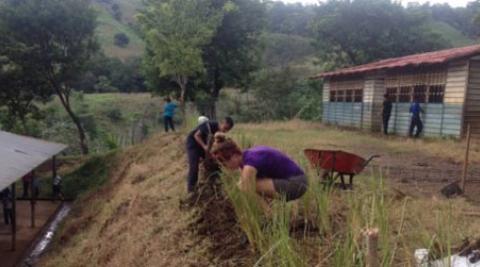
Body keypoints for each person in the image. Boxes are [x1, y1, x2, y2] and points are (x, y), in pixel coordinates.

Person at [211, 133, 308, 213]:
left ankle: (270, 216)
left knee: (245, 186)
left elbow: (246, 189)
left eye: (224, 163)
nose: (225, 168)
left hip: (297, 184)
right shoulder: (246, 158)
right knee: (244, 184)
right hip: (293, 181)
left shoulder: (250, 163)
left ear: (234, 156)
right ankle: (270, 212)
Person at [185, 117, 234, 193]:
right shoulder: (209, 125)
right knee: (194, 167)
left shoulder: (218, 133)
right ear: (221, 123)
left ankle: (214, 185)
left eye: (227, 130)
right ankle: (191, 190)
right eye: (225, 128)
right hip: (193, 144)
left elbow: (211, 143)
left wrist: (210, 154)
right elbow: (196, 135)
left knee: (214, 164)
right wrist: (204, 147)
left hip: (203, 146)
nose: (225, 131)